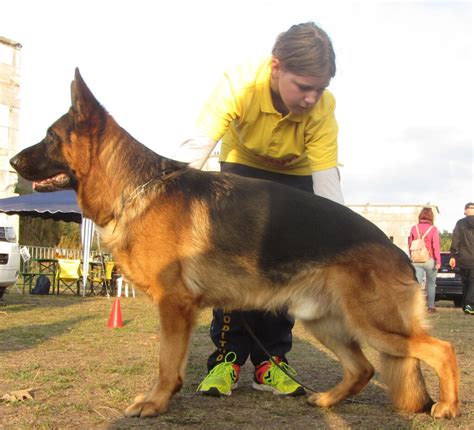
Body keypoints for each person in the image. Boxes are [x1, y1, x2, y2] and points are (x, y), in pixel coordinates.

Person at [175, 22, 344, 397]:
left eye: (321, 89)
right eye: (303, 87)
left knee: (285, 268)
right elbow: (196, 148)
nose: (312, 98)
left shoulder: (322, 109)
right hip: (242, 169)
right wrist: (168, 206)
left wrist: (343, 243)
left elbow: (327, 186)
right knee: (233, 263)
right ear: (276, 67)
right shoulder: (239, 84)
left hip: (295, 178)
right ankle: (226, 359)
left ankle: (271, 361)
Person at [408, 207, 441, 313]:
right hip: (430, 260)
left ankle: (415, 306)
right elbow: (436, 246)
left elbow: (410, 244)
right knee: (431, 283)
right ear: (431, 217)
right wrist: (438, 261)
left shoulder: (414, 228)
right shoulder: (433, 229)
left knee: (417, 284)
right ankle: (431, 307)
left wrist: (412, 256)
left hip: (416, 260)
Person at [449, 202, 474, 315]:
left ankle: (465, 306)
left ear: (465, 210)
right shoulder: (460, 223)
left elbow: (455, 240)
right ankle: (469, 305)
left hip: (463, 258)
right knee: (472, 282)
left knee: (465, 283)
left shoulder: (460, 223)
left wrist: (453, 255)